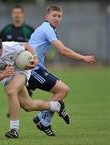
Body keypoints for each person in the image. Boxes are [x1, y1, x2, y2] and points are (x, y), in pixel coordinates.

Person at [0, 36, 69, 139]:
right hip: (6, 75)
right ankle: (56, 106)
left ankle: (14, 130)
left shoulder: (10, 47)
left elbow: (26, 45)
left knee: (11, 91)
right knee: (28, 106)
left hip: (21, 70)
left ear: (1, 48)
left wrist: (35, 58)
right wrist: (3, 75)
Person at [27, 5, 96, 136]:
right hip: (32, 70)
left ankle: (42, 118)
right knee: (62, 90)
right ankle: (43, 120)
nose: (57, 18)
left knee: (62, 90)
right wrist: (83, 58)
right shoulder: (47, 29)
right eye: (54, 15)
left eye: (59, 16)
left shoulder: (47, 29)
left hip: (35, 68)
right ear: (47, 16)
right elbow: (63, 51)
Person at [0, 4, 34, 117]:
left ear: (23, 14)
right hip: (9, 64)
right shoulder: (6, 30)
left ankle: (15, 107)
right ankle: (13, 109)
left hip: (25, 65)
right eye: (15, 13)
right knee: (10, 87)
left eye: (19, 12)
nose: (17, 15)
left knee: (15, 89)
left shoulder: (29, 30)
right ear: (12, 15)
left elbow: (35, 46)